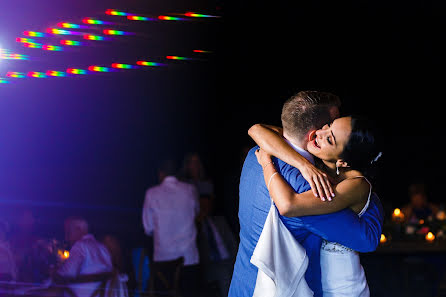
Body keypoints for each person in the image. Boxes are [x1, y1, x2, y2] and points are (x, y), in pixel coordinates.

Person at [228, 91, 384, 297]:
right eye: (329, 125)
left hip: (241, 283)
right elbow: (366, 239)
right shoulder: (312, 187)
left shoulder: (255, 152)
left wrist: (268, 161)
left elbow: (256, 129)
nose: (324, 132)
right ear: (314, 132)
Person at [142, 159, 200, 297]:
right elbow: (196, 213)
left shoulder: (152, 193)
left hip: (164, 260)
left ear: (160, 174)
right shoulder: (190, 190)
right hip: (189, 258)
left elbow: (148, 228)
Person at [54, 216, 114, 297]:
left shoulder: (80, 246)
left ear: (78, 230)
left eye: (68, 231)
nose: (66, 237)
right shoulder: (102, 247)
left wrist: (52, 272)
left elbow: (65, 274)